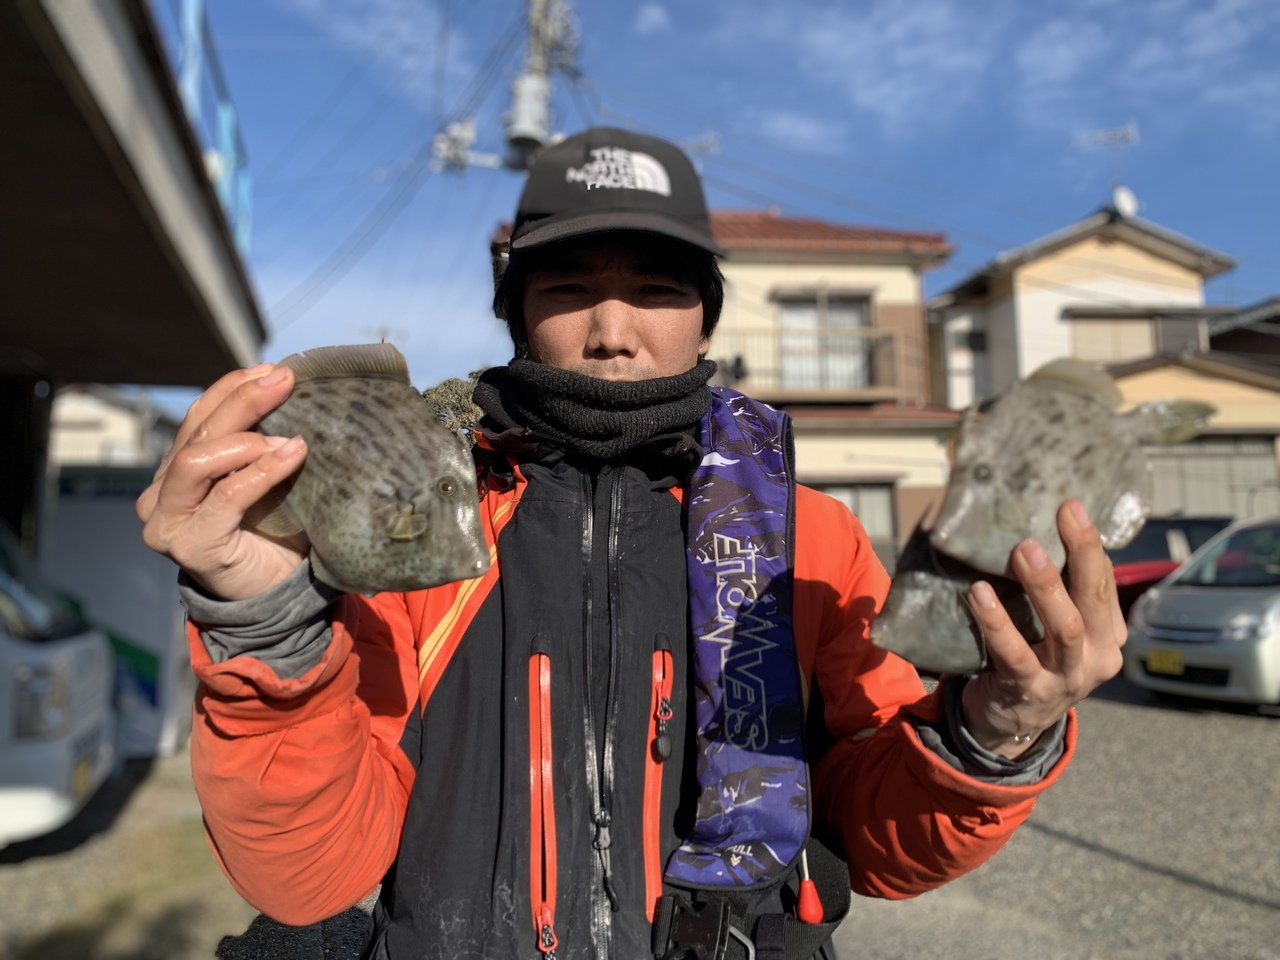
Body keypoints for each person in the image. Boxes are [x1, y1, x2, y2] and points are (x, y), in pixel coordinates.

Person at [137, 127, 1125, 960]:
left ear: (705, 318)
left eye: (655, 288)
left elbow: (875, 840)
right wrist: (264, 624)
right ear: (517, 310)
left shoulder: (811, 539)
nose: (611, 330)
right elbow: (311, 874)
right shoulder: (414, 523)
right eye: (568, 286)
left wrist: (994, 732)